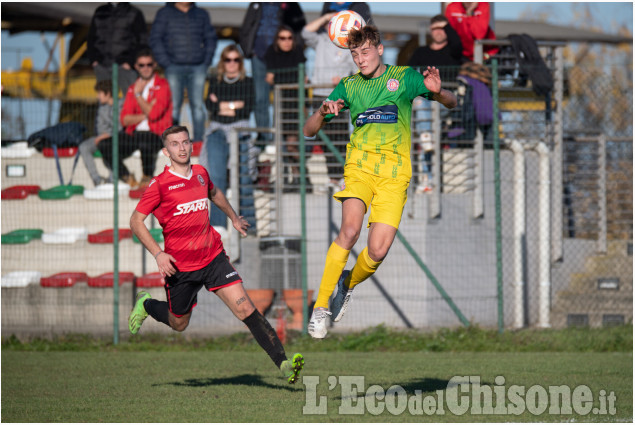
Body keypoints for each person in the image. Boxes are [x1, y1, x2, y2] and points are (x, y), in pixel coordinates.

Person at [302, 26, 457, 338]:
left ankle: (347, 283)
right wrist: (321, 111)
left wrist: (438, 92)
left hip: (394, 175)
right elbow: (308, 130)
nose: (360, 59)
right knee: (349, 230)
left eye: (366, 52)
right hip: (359, 168)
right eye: (355, 54)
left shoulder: (404, 77)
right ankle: (320, 307)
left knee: (378, 251)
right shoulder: (347, 86)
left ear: (380, 49)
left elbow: (451, 102)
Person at [128, 125, 304, 384]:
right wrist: (158, 254)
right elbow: (135, 221)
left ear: (191, 145)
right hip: (181, 267)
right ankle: (146, 304)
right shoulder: (160, 184)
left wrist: (233, 218)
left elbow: (214, 192)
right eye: (175, 144)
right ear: (166, 152)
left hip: (213, 257)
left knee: (246, 309)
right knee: (179, 324)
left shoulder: (200, 173)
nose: (182, 148)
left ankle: (284, 364)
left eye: (185, 142)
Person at [99, 49, 172, 188]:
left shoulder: (163, 85)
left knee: (145, 139)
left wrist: (138, 96)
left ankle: (147, 176)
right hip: (134, 134)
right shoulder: (133, 88)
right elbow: (124, 119)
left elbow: (155, 115)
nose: (146, 68)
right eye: (142, 65)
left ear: (154, 65)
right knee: (105, 145)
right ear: (136, 67)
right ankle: (126, 176)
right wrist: (146, 112)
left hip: (156, 134)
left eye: (149, 64)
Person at [202, 45, 256, 230]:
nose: (232, 63)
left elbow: (247, 108)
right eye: (228, 59)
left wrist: (224, 105)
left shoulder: (248, 82)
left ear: (240, 63)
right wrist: (235, 105)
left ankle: (251, 227)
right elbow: (211, 107)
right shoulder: (213, 81)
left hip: (241, 132)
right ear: (222, 62)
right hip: (216, 132)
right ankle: (219, 228)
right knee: (216, 180)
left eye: (236, 60)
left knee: (244, 179)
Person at [302, 12, 359, 186]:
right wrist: (326, 18)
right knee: (323, 137)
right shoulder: (322, 39)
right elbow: (305, 33)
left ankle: (342, 177)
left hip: (339, 96)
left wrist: (342, 79)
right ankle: (333, 178)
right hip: (320, 95)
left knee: (340, 137)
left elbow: (356, 71)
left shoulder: (350, 45)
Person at [150, 2, 217, 144]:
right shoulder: (164, 13)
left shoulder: (201, 14)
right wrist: (166, 63)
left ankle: (199, 142)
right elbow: (156, 38)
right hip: (173, 66)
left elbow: (210, 38)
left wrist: (206, 62)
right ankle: (172, 142)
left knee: (198, 106)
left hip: (198, 66)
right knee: (173, 107)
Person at [240, 2, 306, 143]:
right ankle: (264, 137)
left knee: (285, 101)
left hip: (281, 59)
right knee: (260, 99)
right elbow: (246, 27)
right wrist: (248, 50)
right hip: (259, 56)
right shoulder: (256, 4)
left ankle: (281, 138)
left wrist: (295, 50)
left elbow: (300, 26)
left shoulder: (291, 5)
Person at [264, 25, 308, 191]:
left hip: (296, 104)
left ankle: (300, 176)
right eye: (283, 38)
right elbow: (269, 78)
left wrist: (281, 79)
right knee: (284, 144)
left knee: (291, 144)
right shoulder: (272, 52)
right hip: (281, 103)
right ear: (277, 40)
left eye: (290, 38)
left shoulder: (298, 53)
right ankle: (293, 177)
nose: (287, 41)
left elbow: (303, 79)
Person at [87, 2, 148, 95]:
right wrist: (94, 60)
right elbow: (91, 38)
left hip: (125, 67)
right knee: (105, 103)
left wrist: (130, 62)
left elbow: (142, 41)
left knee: (130, 100)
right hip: (102, 66)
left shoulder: (134, 13)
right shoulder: (100, 12)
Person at [78, 80, 115, 187]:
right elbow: (99, 128)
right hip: (100, 138)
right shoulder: (102, 107)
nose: (98, 96)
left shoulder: (120, 106)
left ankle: (112, 179)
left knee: (108, 147)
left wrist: (104, 136)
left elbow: (120, 127)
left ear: (108, 94)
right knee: (84, 147)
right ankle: (97, 179)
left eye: (100, 93)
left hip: (112, 138)